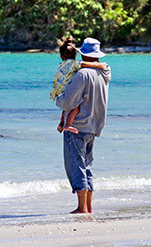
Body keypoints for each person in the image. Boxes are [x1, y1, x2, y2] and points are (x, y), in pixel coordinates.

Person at [56, 37, 111, 214]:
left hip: (77, 126)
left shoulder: (81, 75)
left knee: (76, 166)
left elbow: (67, 102)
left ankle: (81, 207)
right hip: (94, 125)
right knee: (88, 166)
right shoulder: (105, 72)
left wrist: (58, 98)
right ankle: (88, 207)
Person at [50, 37, 104, 134]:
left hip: (60, 95)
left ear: (62, 56)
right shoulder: (74, 64)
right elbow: (84, 64)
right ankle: (67, 125)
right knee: (76, 105)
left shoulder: (62, 64)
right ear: (75, 54)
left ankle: (62, 123)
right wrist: (99, 66)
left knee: (66, 109)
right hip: (64, 97)